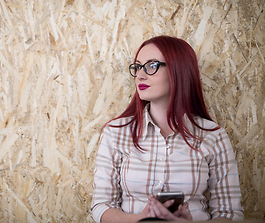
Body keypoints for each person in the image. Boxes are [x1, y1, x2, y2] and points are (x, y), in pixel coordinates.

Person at [90, 36, 244, 222]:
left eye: (152, 66)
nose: (140, 75)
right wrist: (140, 219)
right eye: (138, 66)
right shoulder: (116, 132)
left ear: (178, 70)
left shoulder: (213, 135)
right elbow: (101, 207)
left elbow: (230, 213)